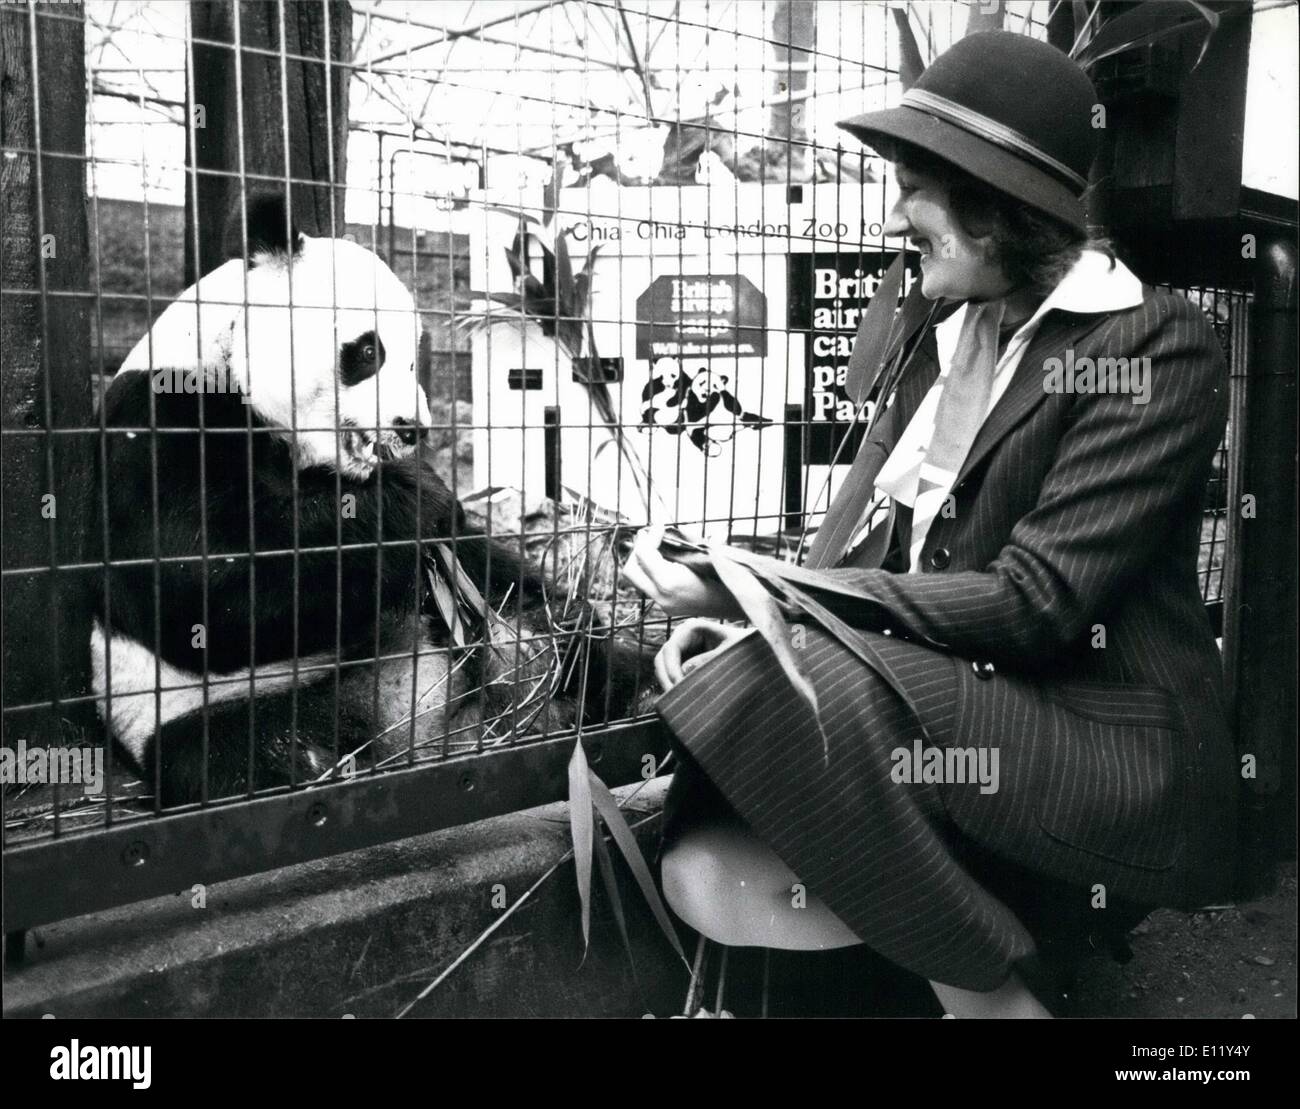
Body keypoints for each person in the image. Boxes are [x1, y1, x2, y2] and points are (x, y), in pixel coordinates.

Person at [621, 31, 1236, 1019]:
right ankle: (967, 943)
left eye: (913, 186)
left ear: (996, 209)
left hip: (1097, 744)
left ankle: (992, 1001)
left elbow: (1037, 605)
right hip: (956, 723)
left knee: (809, 688)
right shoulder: (939, 329)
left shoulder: (1151, 345)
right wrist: (742, 612)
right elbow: (869, 549)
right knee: (702, 861)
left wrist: (769, 595)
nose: (890, 212)